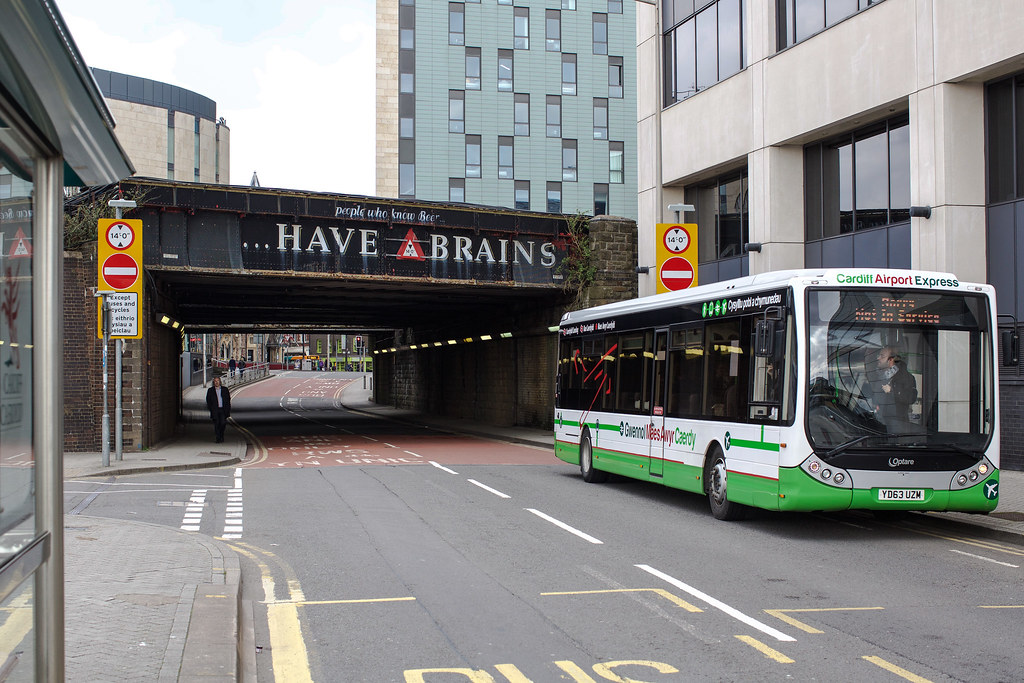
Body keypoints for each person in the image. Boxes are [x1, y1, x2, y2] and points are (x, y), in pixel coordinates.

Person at [871, 346, 917, 427]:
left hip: (897, 427)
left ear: (891, 359)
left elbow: (911, 398)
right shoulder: (877, 376)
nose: (878, 358)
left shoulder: (906, 377)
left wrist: (893, 390)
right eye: (878, 355)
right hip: (877, 424)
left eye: (882, 356)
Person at [205, 377, 231, 443]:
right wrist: (211, 409)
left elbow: (228, 400)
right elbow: (208, 400)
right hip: (215, 410)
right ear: (213, 382)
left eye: (217, 381)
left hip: (222, 410)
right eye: (215, 381)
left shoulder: (225, 389)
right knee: (216, 424)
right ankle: (218, 438)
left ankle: (221, 435)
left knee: (223, 423)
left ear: (220, 382)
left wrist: (228, 410)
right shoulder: (210, 390)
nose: (216, 382)